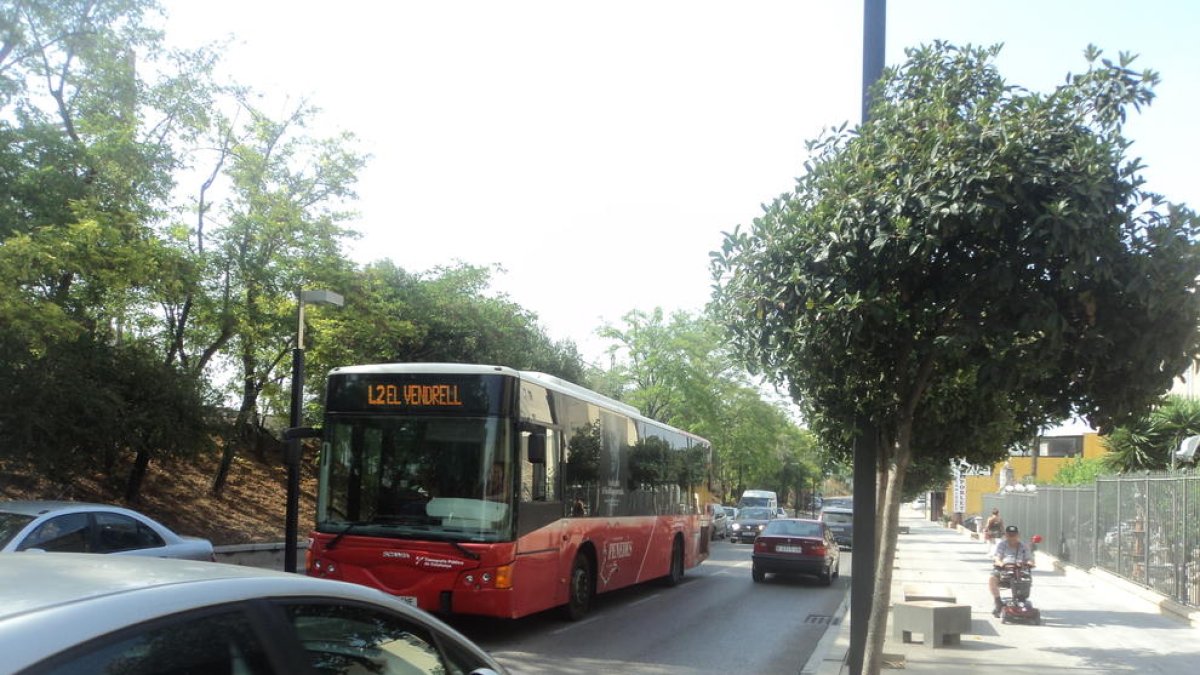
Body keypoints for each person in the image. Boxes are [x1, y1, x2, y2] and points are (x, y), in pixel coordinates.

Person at [989, 524, 1034, 617]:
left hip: (1019, 570)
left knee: (1026, 578)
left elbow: (1029, 559)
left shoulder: (1023, 546)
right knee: (992, 578)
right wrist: (1001, 564)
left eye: (1014, 535)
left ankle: (1021, 600)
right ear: (1006, 535)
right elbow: (997, 557)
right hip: (1004, 569)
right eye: (1009, 535)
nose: (1012, 537)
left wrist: (1030, 563)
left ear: (1018, 535)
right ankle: (998, 602)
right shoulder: (1002, 545)